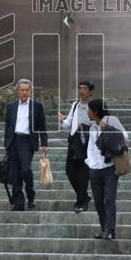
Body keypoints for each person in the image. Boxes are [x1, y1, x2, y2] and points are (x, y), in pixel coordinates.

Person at [85, 98, 128, 240]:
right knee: (98, 200)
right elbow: (90, 147)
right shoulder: (92, 127)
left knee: (109, 198)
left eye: (89, 109)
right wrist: (91, 164)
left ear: (95, 111)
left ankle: (110, 229)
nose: (87, 112)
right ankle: (104, 228)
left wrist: (108, 129)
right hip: (95, 168)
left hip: (110, 167)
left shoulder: (112, 120)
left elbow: (125, 137)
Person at [2, 79, 48, 211]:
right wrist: (6, 145)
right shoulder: (11, 106)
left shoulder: (37, 105)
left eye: (27, 90)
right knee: (15, 173)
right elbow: (8, 126)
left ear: (30, 91)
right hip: (13, 141)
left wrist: (44, 143)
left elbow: (42, 126)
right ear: (17, 91)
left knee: (25, 170)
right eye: (22, 90)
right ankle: (19, 202)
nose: (24, 92)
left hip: (28, 141)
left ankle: (30, 195)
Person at [58, 80, 94, 213]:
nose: (81, 91)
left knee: (83, 174)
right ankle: (84, 196)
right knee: (70, 172)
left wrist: (85, 127)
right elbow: (69, 122)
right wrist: (62, 121)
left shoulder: (93, 106)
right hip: (74, 142)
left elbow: (99, 124)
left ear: (90, 91)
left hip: (87, 145)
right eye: (80, 88)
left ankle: (81, 202)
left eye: (84, 89)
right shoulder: (75, 105)